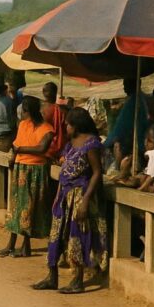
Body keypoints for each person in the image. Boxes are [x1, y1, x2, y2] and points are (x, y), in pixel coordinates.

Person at [33, 108, 106, 294]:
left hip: (79, 195)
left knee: (77, 237)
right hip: (64, 194)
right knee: (55, 234)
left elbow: (97, 173)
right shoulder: (71, 143)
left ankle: (77, 279)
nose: (65, 128)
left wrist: (85, 201)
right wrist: (58, 196)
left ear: (76, 126)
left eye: (68, 124)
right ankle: (52, 275)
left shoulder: (92, 144)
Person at [0, 96, 54, 258]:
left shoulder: (47, 129)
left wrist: (20, 150)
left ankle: (25, 245)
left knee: (28, 209)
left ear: (27, 111)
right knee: (16, 208)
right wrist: (13, 158)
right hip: (20, 168)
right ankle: (13, 244)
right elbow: (16, 146)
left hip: (35, 170)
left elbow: (42, 149)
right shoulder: (23, 125)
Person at [104, 76, 148, 154]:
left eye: (126, 85)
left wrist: (107, 144)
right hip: (141, 143)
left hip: (134, 145)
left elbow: (121, 128)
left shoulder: (133, 102)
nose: (124, 88)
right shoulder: (144, 99)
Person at [41, 82, 67, 160]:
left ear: (43, 92)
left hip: (45, 147)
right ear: (55, 93)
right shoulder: (63, 110)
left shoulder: (42, 109)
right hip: (60, 148)